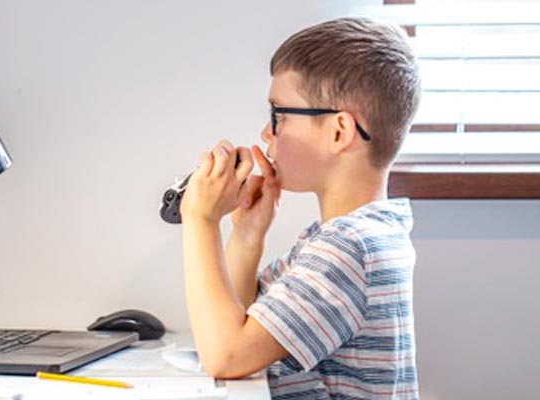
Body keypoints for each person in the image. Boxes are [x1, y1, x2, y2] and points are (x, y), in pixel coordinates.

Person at [179, 17, 422, 399]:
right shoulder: (345, 237)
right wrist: (246, 235)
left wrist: (199, 219)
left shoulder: (349, 247)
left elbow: (225, 356)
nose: (266, 132)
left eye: (280, 115)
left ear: (339, 132)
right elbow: (235, 325)